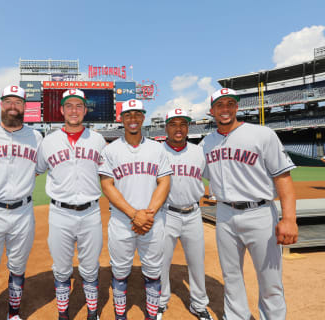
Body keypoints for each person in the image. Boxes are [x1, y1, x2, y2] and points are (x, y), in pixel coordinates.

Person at [200, 88, 298, 320]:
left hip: (260, 212)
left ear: (237, 107)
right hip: (224, 214)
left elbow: (283, 178)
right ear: (212, 111)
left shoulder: (262, 134)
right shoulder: (206, 143)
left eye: (230, 104)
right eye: (220, 105)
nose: (225, 109)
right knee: (231, 275)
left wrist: (289, 219)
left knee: (270, 279)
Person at [0, 85, 43, 320]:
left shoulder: (36, 137)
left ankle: (13, 314)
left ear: (25, 107)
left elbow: (39, 169)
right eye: (9, 101)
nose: (13, 106)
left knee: (18, 268)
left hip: (23, 211)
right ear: (1, 104)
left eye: (18, 102)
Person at [99, 99, 172, 320]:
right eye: (128, 115)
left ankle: (151, 316)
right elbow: (106, 185)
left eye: (137, 114)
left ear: (143, 117)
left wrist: (147, 214)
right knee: (120, 272)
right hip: (122, 221)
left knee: (152, 271)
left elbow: (165, 182)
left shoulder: (157, 149)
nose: (133, 119)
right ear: (121, 119)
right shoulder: (110, 150)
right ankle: (120, 316)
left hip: (152, 220)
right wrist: (134, 214)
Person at [36, 89, 106, 320]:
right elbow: (35, 171)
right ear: (61, 110)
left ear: (85, 110)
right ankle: (63, 314)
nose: (74, 110)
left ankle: (92, 312)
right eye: (69, 106)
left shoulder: (98, 140)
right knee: (62, 268)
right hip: (60, 213)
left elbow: (109, 175)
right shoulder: (48, 142)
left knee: (89, 267)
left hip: (91, 212)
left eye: (79, 106)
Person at [156, 108, 213, 320]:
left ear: (188, 127)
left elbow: (211, 177)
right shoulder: (156, 151)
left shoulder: (199, 152)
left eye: (183, 124)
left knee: (197, 262)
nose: (178, 129)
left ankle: (199, 305)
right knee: (161, 262)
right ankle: (160, 303)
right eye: (173, 124)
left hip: (193, 213)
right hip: (166, 213)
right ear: (166, 127)